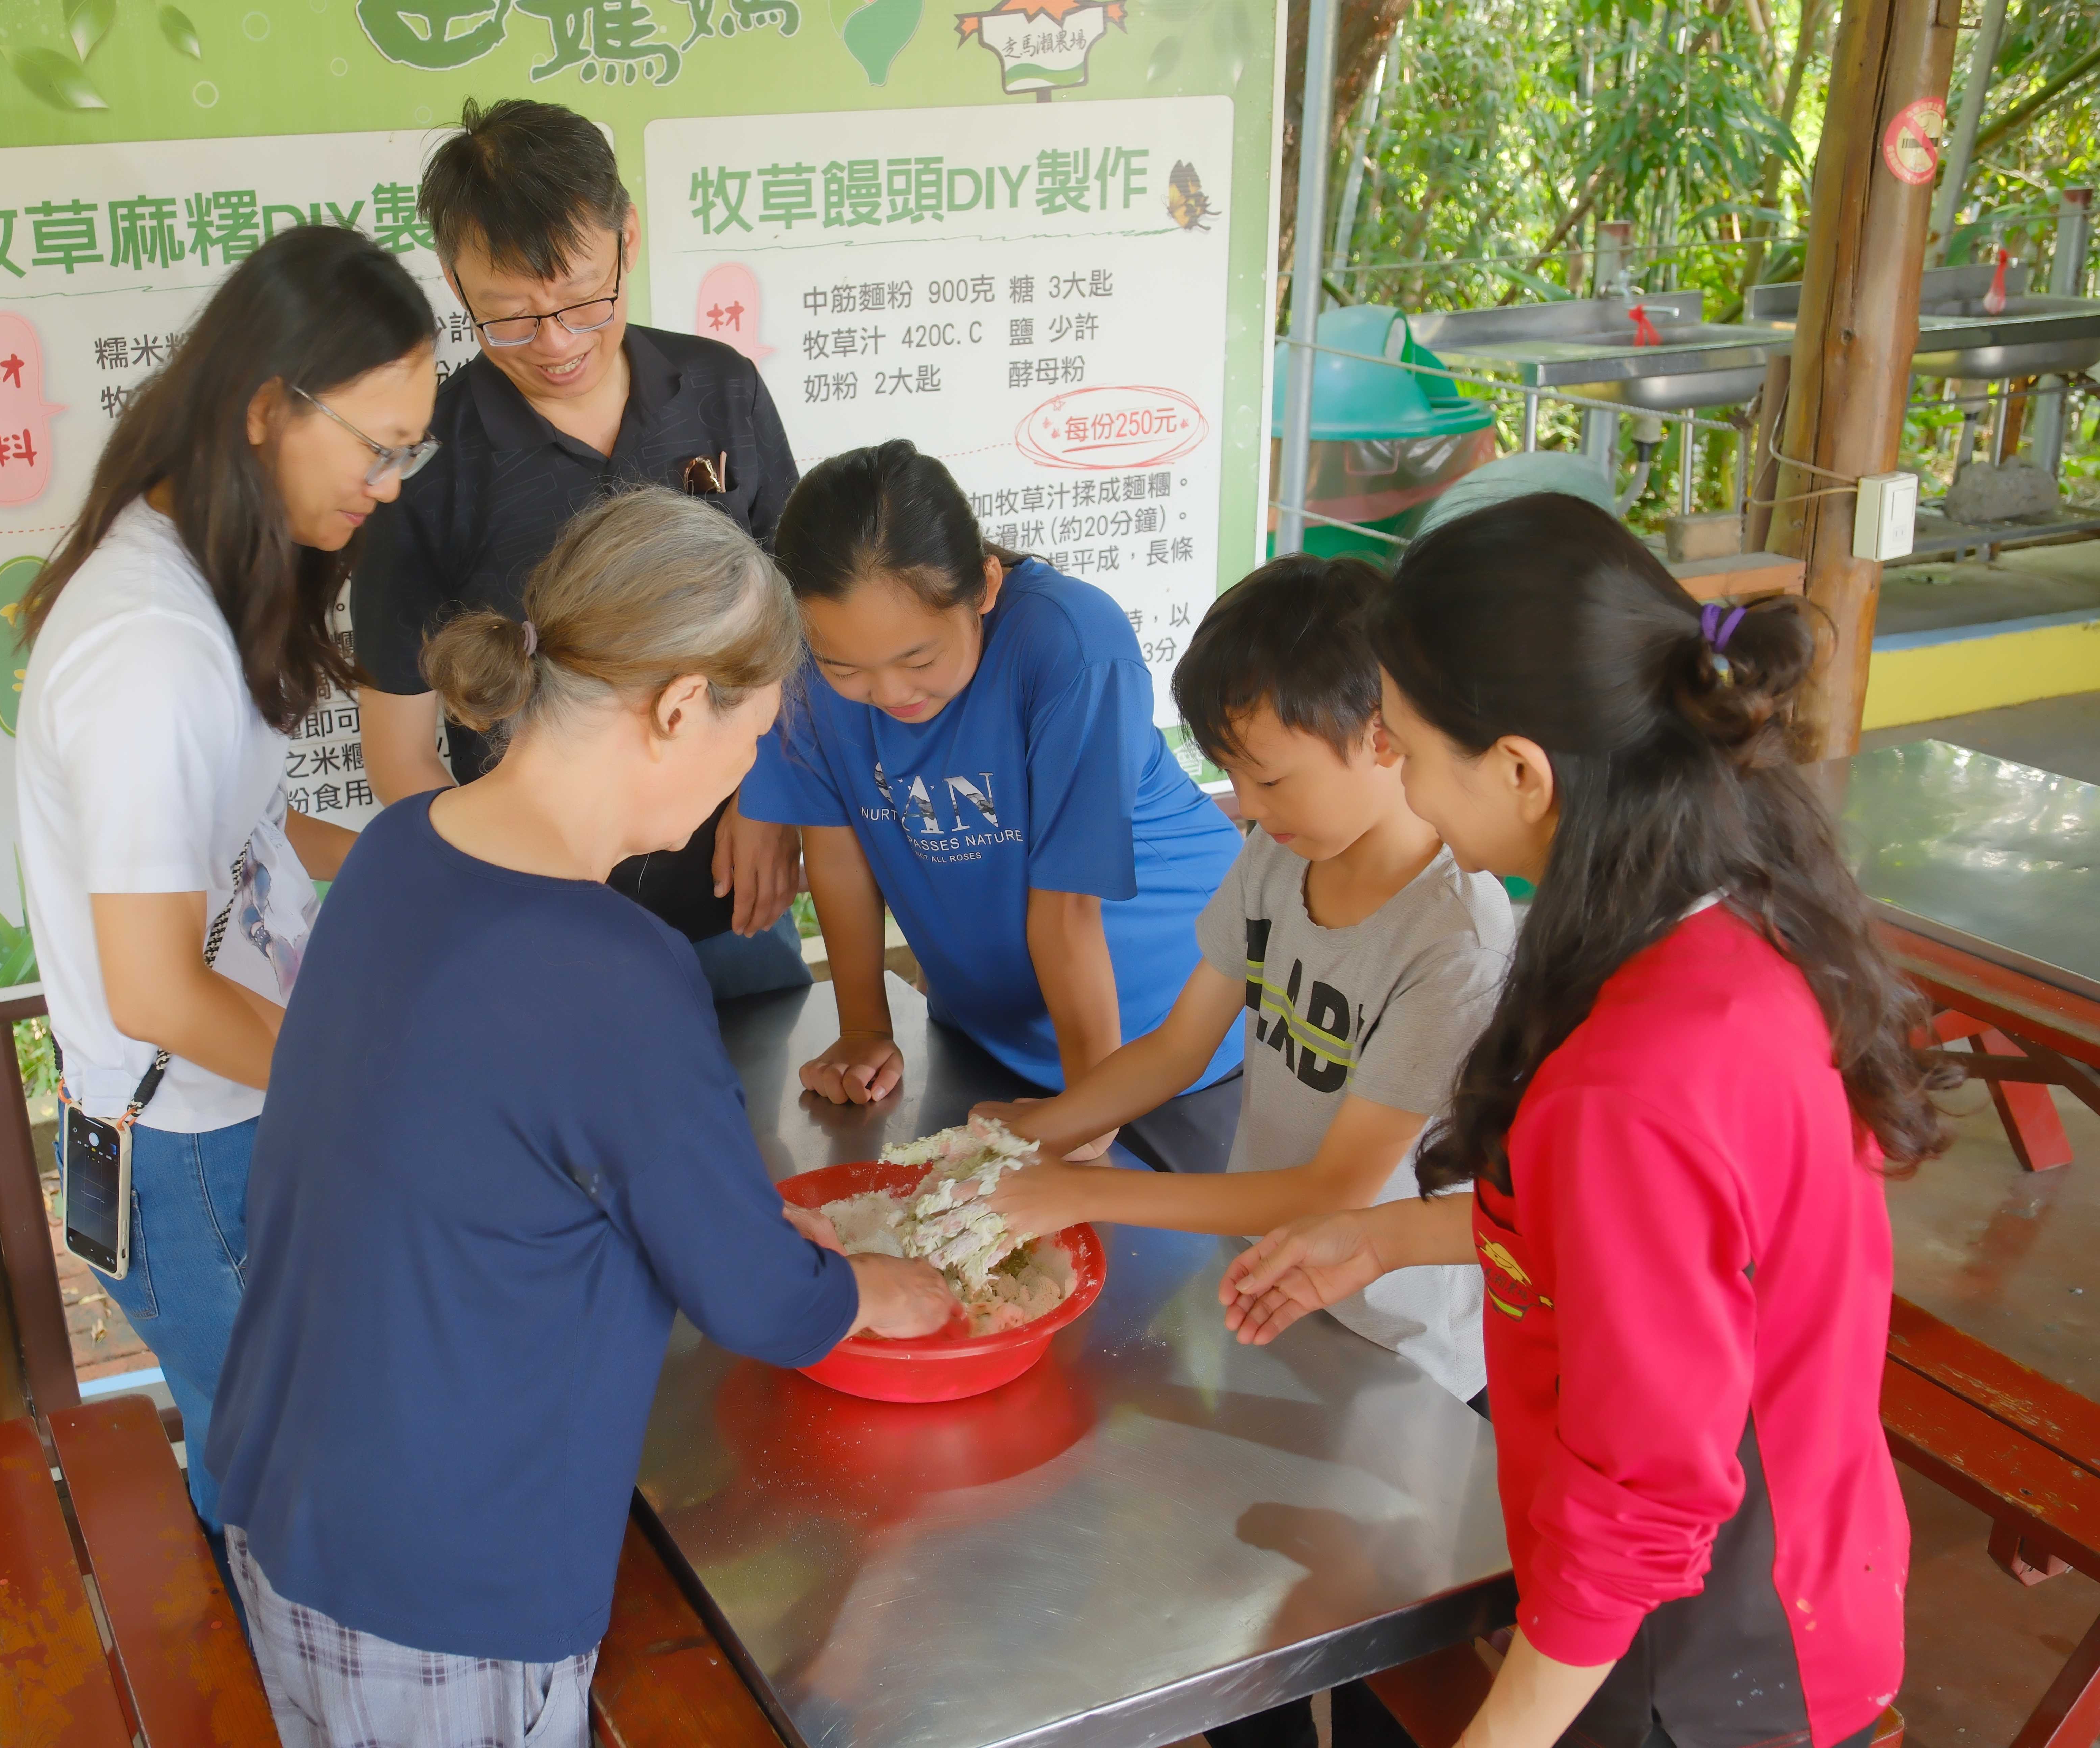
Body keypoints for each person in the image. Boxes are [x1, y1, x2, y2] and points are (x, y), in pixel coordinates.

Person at [207, 487, 956, 1747]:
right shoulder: (607, 962)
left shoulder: (399, 850)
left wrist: (748, 1227)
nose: (747, 774)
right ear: (676, 709)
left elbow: (518, 1160)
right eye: (752, 736)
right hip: (438, 1574)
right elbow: (760, 1299)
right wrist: (875, 1291)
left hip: (288, 1491)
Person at [1222, 494, 1950, 1748]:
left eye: (1400, 746)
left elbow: (1646, 1497)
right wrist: (1389, 1239)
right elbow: (1673, 1248)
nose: (1393, 776)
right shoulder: (1737, 899)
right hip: (1807, 1560)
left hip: (1708, 1647)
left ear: (1517, 768)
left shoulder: (1634, 1072)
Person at [13, 224, 439, 1542]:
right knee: (293, 1482)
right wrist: (358, 1076)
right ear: (268, 409)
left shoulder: (189, 574)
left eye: (408, 452)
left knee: (291, 1440)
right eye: (378, 448)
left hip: (218, 1113)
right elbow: (154, 988)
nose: (389, 486)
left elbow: (244, 829)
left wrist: (417, 861)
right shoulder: (150, 645)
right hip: (198, 1140)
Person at [976, 552, 1499, 1406]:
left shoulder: (1453, 941)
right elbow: (1179, 1048)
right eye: (1236, 774)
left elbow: (1334, 1193)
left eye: (1271, 777)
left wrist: (1080, 1188)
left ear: (1382, 733)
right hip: (1267, 1281)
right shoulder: (1275, 860)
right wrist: (1041, 1131)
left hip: (1400, 1345)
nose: (1247, 807)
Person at [352, 97, 812, 1000]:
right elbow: (398, 751)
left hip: (732, 891)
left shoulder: (720, 392)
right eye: (510, 319)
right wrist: (516, 891)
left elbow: (795, 635)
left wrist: (773, 804)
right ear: (454, 283)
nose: (556, 344)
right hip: (543, 922)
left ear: (628, 237)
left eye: (581, 301)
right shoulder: (428, 464)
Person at [739, 439, 1243, 1162]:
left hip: (1169, 1025)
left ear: (984, 586)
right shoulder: (801, 666)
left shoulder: (1069, 642)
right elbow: (839, 847)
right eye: (846, 667)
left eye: (919, 659)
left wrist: (1090, 1103)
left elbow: (1069, 905)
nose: (889, 695)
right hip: (992, 1035)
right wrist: (864, 1028)